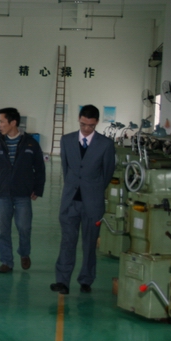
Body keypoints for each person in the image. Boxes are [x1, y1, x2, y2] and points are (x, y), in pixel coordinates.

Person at [51, 104, 115, 295]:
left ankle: (86, 279)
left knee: (90, 243)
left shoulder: (105, 144)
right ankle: (62, 281)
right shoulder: (66, 140)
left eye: (91, 126)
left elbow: (107, 173)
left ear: (97, 123)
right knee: (67, 241)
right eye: (83, 124)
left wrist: (93, 190)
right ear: (79, 119)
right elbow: (66, 169)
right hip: (70, 201)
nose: (86, 129)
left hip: (92, 203)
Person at [0, 108, 45, 274]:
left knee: (24, 227)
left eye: (2, 121)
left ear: (13, 122)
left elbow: (40, 167)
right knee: (3, 230)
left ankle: (24, 253)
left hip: (23, 193)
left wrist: (38, 188)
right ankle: (6, 261)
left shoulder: (30, 143)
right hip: (3, 192)